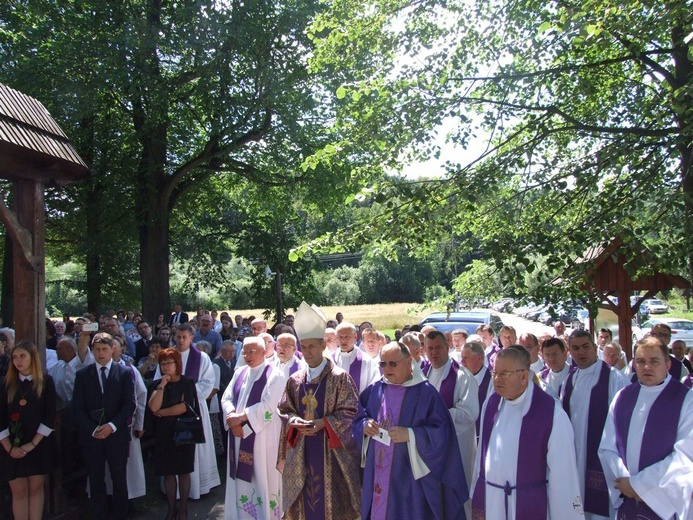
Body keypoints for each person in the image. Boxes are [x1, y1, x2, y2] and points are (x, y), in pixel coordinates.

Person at [354, 340, 469, 519]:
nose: (387, 368)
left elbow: (442, 432)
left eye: (393, 363)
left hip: (409, 478)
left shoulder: (426, 393)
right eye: (383, 363)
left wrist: (411, 434)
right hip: (377, 471)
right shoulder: (376, 389)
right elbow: (358, 416)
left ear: (408, 362)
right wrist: (364, 425)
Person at [471, 346, 584, 519]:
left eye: (504, 374)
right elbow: (482, 456)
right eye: (495, 373)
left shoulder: (551, 413)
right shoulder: (491, 404)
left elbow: (563, 475)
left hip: (528, 505)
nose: (497, 379)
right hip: (493, 503)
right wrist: (476, 492)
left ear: (524, 376)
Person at [278, 302, 361, 520]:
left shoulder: (339, 378)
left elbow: (351, 411)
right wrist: (295, 421)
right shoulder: (295, 381)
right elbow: (285, 409)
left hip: (331, 455)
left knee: (330, 504)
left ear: (323, 345)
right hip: (302, 451)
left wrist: (324, 423)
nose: (307, 352)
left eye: (312, 347)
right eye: (303, 347)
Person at [598, 336, 693, 519]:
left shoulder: (686, 399)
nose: (646, 367)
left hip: (664, 501)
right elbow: (607, 447)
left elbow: (685, 455)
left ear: (667, 365)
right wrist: (625, 483)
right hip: (627, 496)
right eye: (640, 361)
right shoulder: (622, 397)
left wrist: (639, 485)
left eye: (654, 361)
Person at [562, 330, 628, 520]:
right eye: (575, 348)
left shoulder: (614, 379)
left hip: (602, 462)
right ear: (570, 351)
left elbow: (624, 423)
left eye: (585, 347)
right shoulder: (570, 379)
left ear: (594, 347)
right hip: (574, 458)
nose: (581, 352)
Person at [71, 333, 136, 520]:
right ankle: (100, 514)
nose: (101, 353)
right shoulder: (83, 375)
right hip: (92, 436)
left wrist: (112, 426)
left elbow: (129, 404)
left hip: (116, 435)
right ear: (92, 350)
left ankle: (121, 514)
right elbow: (77, 407)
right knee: (96, 478)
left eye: (105, 349)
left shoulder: (123, 372)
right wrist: (93, 429)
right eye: (97, 349)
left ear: (112, 349)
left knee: (118, 477)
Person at [221, 336, 285, 520]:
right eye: (245, 351)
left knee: (262, 478)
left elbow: (268, 406)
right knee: (240, 481)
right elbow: (226, 398)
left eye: (253, 351)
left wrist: (239, 419)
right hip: (237, 435)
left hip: (263, 437)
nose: (248, 355)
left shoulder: (275, 374)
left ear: (264, 352)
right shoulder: (239, 372)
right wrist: (232, 417)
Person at [155, 323, 221, 498]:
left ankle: (196, 488)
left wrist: (185, 395)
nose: (181, 340)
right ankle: (172, 492)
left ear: (192, 338)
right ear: (174, 337)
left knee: (191, 451)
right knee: (172, 451)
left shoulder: (201, 358)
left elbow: (208, 383)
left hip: (194, 409)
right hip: (170, 409)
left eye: (185, 337)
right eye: (178, 337)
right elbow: (157, 380)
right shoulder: (168, 356)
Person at [422, 330, 478, 513]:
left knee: (456, 499)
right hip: (428, 448)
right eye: (430, 348)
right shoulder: (421, 375)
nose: (434, 352)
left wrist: (436, 418)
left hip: (456, 447)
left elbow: (469, 413)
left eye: (438, 347)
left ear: (447, 347)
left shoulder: (463, 376)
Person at [0, 342, 57, 520]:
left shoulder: (46, 382)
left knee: (36, 488)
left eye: (22, 356)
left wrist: (33, 444)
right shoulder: (5, 383)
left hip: (37, 445)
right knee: (19, 491)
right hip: (11, 447)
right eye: (15, 357)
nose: (18, 361)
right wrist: (9, 447)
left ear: (33, 358)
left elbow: (49, 416)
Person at [149, 348, 200, 520]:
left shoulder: (187, 382)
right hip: (163, 434)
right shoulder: (156, 384)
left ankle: (184, 508)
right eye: (162, 364)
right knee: (168, 472)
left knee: (183, 471)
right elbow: (153, 407)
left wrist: (162, 413)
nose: (165, 367)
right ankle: (172, 508)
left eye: (168, 363)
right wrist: (162, 386)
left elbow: (184, 407)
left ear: (177, 364)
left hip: (183, 431)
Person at [333, 321, 380, 395]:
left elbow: (374, 387)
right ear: (336, 338)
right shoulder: (330, 360)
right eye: (340, 337)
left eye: (347, 337)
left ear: (355, 337)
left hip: (358, 405)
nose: (343, 340)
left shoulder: (366, 361)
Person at [460, 341, 494, 438]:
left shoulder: (492, 381)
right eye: (462, 358)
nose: (462, 362)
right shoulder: (461, 379)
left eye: (465, 358)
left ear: (479, 358)